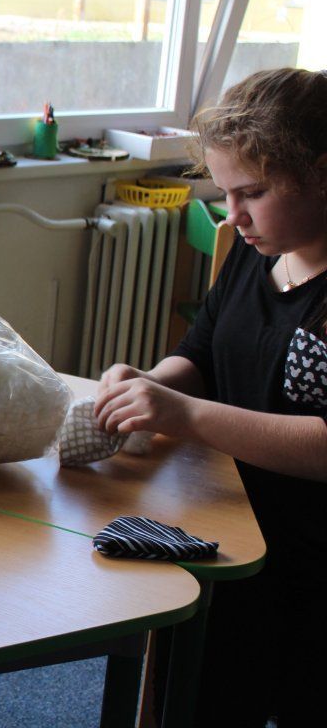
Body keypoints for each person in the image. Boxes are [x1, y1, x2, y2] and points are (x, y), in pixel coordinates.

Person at [94, 67, 327, 727]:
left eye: (252, 193)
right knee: (201, 693)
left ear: (322, 174)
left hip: (311, 558)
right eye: (225, 194)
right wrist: (149, 385)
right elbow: (201, 353)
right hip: (231, 523)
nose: (235, 215)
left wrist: (185, 416)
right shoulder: (257, 250)